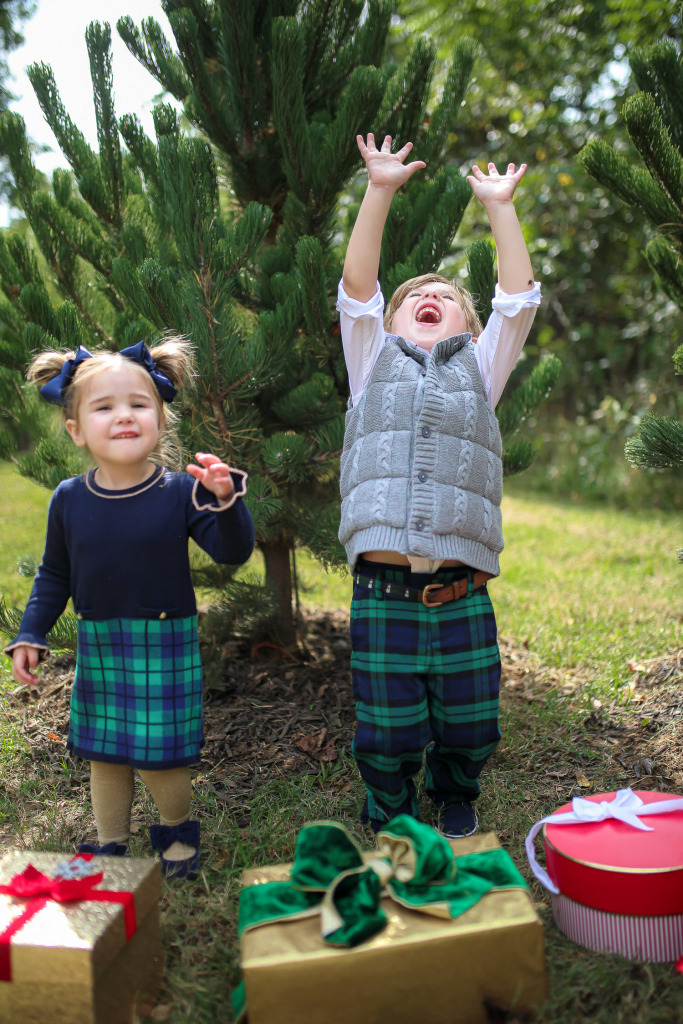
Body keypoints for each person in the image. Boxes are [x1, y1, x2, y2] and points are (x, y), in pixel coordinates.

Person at [338, 134, 541, 838]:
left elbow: (516, 300)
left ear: (469, 327)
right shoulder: (371, 360)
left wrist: (500, 207)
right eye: (414, 296)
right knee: (386, 724)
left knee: (470, 716)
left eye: (447, 297)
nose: (430, 296)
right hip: (382, 593)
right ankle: (390, 807)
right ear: (388, 323)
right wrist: (379, 190)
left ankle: (456, 792)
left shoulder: (480, 371)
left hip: (461, 593)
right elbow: (357, 288)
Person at [4, 338, 254, 878]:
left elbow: (231, 552)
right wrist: (31, 633)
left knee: (160, 755)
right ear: (76, 429)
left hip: (163, 644)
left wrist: (226, 502)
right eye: (105, 407)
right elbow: (54, 574)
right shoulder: (69, 499)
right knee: (106, 752)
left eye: (138, 404)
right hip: (101, 643)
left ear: (159, 420)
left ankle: (177, 835)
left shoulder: (178, 493)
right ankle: (110, 843)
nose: (124, 416)